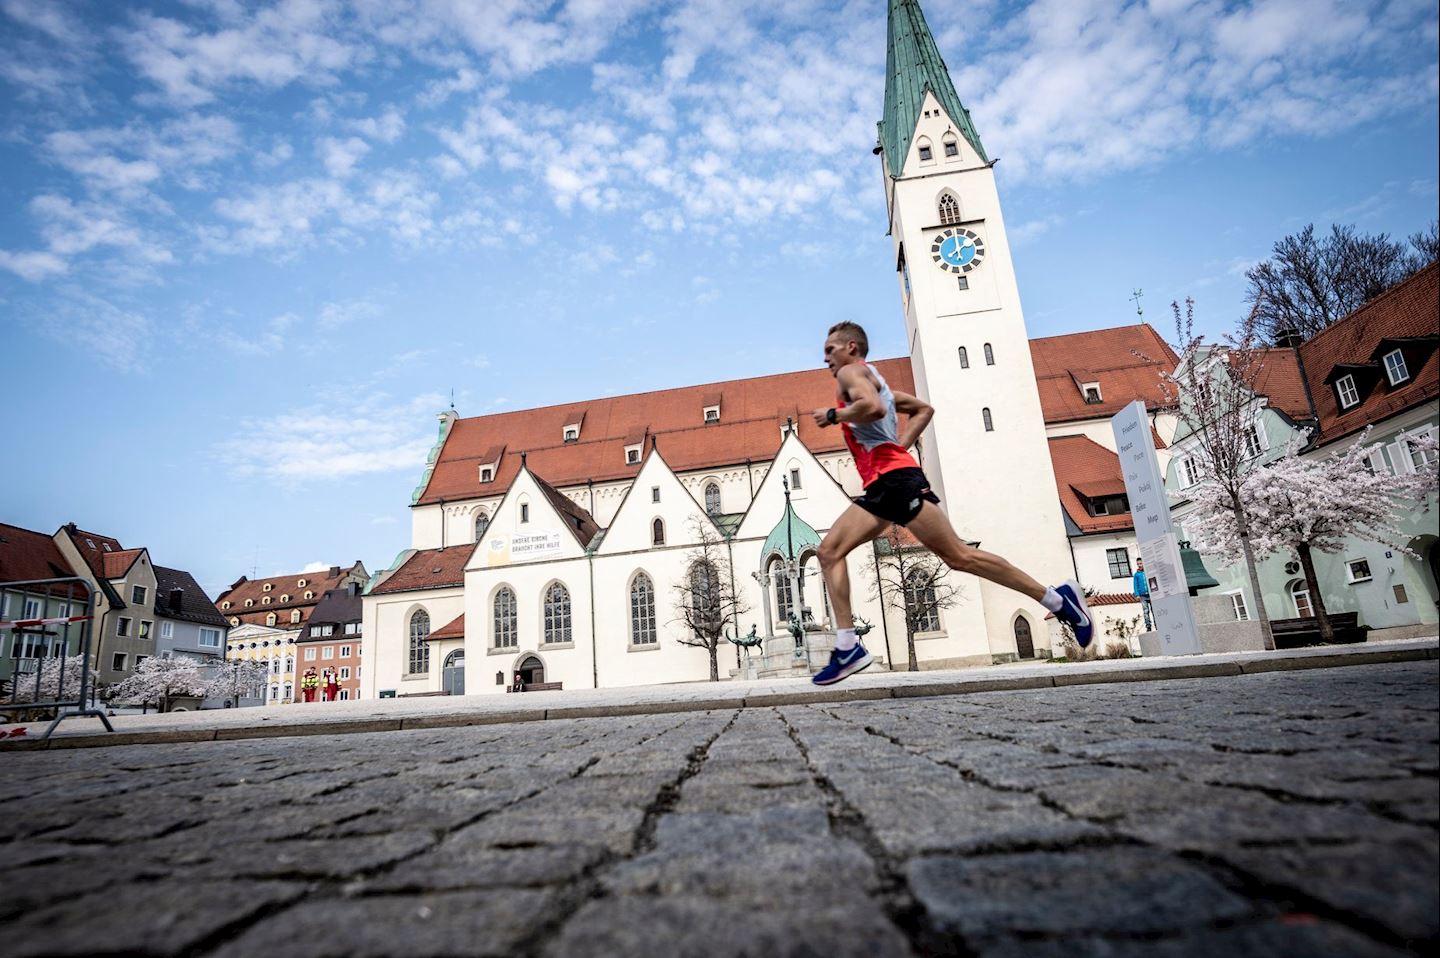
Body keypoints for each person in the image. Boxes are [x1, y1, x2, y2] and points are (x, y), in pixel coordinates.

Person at [809, 321, 1092, 685]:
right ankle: (848, 645)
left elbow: (873, 408)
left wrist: (835, 415)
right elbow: (924, 409)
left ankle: (1058, 599)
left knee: (957, 556)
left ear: (851, 347)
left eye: (830, 348)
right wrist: (901, 447)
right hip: (888, 483)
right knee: (835, 551)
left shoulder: (851, 373)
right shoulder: (882, 383)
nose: (825, 356)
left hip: (893, 484)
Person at [1133, 557, 1153, 631]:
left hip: (1150, 594)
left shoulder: (1148, 572)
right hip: (1142, 595)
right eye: (1138, 564)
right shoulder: (1136, 575)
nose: (1139, 565)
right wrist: (1137, 594)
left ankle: (1157, 624)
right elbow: (1135, 585)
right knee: (1145, 611)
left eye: (1140, 563)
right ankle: (1148, 625)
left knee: (1153, 609)